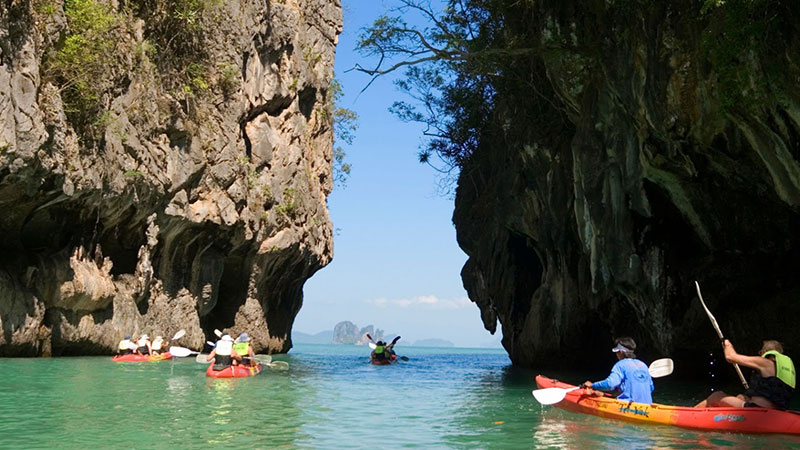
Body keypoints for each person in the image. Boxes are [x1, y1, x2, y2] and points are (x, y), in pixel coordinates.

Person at [695, 339, 795, 409]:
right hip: (778, 410)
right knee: (741, 397)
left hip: (759, 410)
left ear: (764, 352)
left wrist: (727, 345)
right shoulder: (787, 368)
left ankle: (689, 414)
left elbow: (730, 356)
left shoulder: (766, 363)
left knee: (717, 395)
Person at [581, 337, 654, 404]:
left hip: (628, 406)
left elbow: (610, 384)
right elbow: (651, 388)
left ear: (621, 352)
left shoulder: (620, 365)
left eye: (617, 352)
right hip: (647, 405)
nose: (616, 354)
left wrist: (593, 385)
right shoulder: (643, 365)